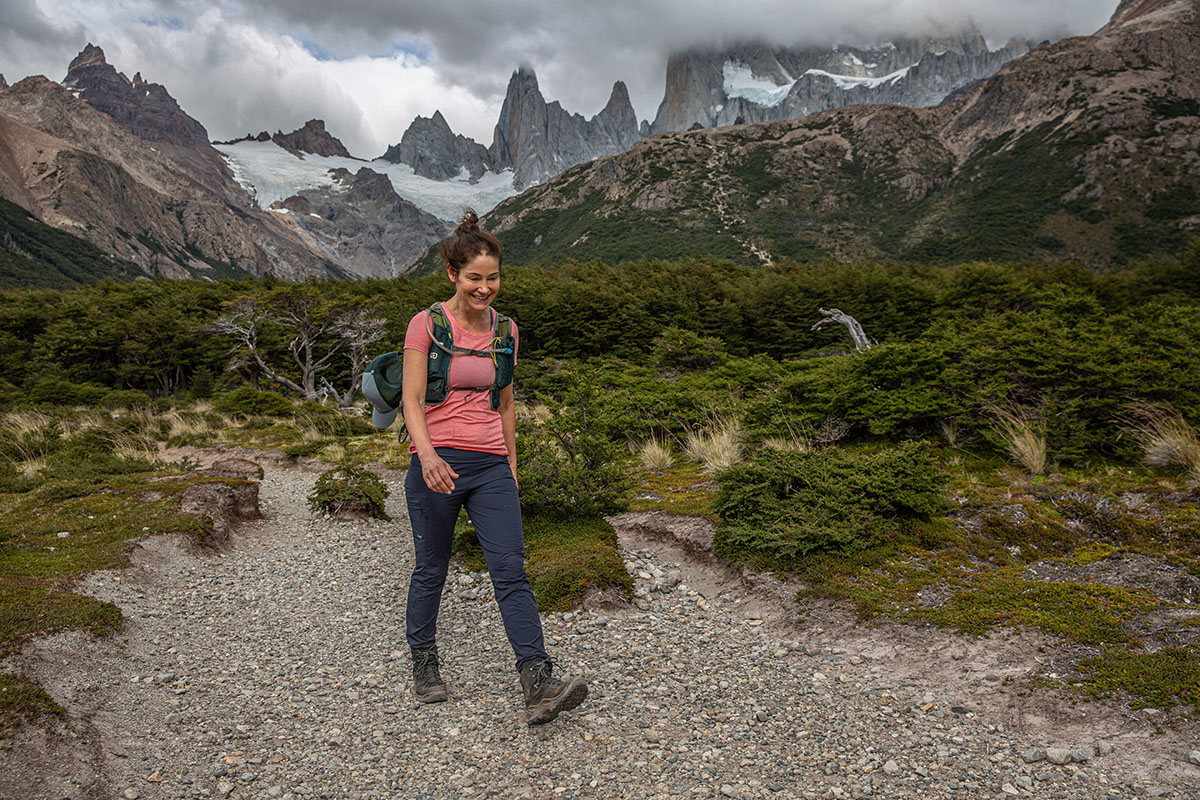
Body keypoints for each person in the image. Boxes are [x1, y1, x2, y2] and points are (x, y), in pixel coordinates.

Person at [400, 209, 588, 725]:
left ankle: (538, 679)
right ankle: (424, 661)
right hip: (435, 463)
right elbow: (412, 402)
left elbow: (505, 404)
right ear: (453, 275)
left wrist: (510, 463)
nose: (485, 288)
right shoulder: (428, 324)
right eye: (475, 278)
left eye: (493, 278)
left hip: (490, 465)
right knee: (431, 568)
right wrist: (429, 456)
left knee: (510, 570)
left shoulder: (507, 330)